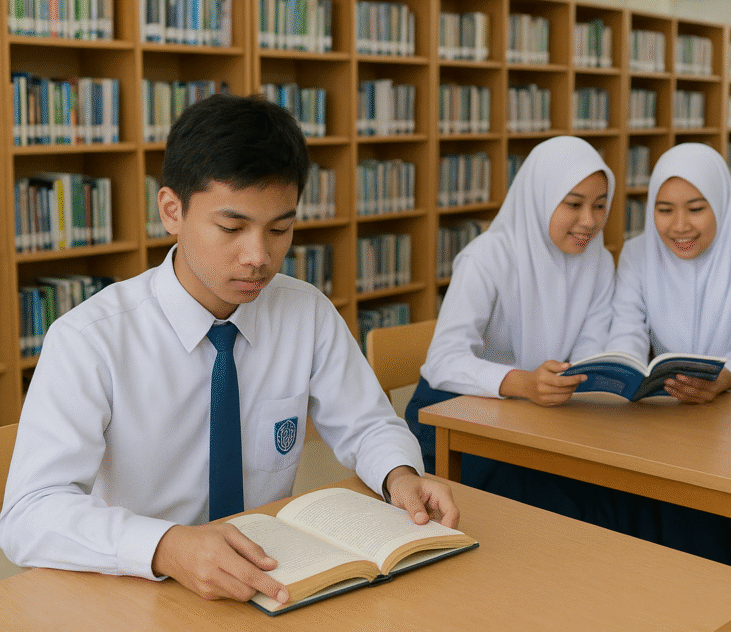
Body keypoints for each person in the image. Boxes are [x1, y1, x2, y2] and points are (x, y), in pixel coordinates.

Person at [0, 94, 458, 607]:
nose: (259, 257)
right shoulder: (91, 340)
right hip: (143, 589)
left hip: (271, 582)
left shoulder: (304, 311)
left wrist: (400, 474)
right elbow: (28, 515)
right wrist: (166, 547)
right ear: (172, 210)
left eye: (280, 229)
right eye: (231, 228)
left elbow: (367, 423)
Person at [403, 136, 639, 533]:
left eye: (600, 205)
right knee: (554, 510)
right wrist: (522, 383)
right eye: (574, 203)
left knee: (613, 493)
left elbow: (590, 347)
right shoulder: (488, 257)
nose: (590, 221)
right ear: (541, 197)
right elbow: (444, 359)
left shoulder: (597, 258)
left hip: (541, 415)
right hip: (458, 412)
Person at [606, 142, 731, 402]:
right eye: (665, 210)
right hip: (664, 404)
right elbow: (627, 331)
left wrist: (724, 378)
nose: (680, 226)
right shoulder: (637, 253)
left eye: (695, 209)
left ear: (720, 204)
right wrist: (623, 373)